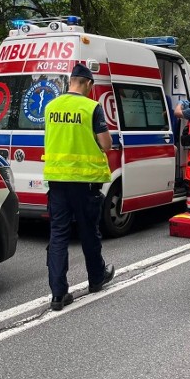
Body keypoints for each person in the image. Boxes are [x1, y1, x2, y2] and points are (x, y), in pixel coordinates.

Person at [42, 63, 115, 311]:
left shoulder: (50, 107)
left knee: (59, 235)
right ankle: (96, 278)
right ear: (88, 84)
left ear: (70, 80)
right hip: (84, 182)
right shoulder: (91, 107)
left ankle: (58, 295)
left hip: (57, 181)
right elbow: (106, 144)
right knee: (87, 232)